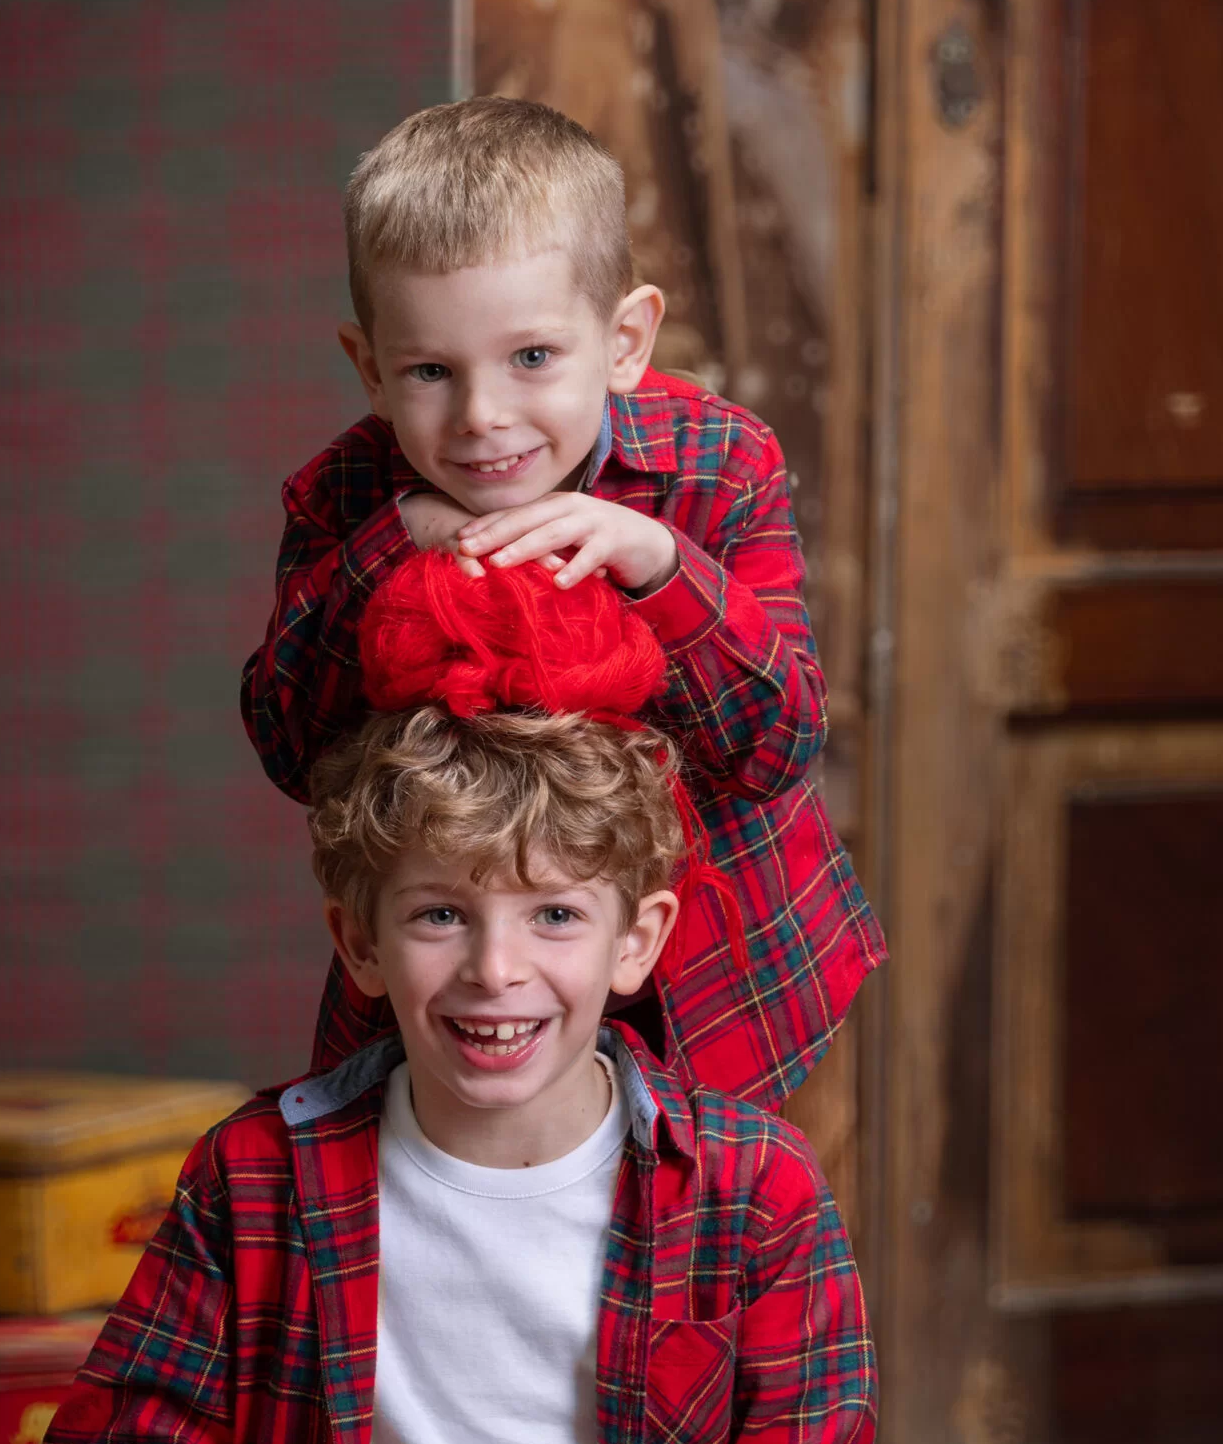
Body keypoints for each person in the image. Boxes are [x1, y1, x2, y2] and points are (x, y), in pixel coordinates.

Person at [32, 557, 1006, 1444]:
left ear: (637, 939)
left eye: (553, 916)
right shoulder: (260, 1170)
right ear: (360, 941)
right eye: (440, 915)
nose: (496, 972)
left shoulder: (751, 1181)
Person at [242, 93, 885, 1110]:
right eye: (429, 372)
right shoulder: (349, 498)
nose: (481, 417)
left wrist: (660, 567)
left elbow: (778, 744)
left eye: (531, 358)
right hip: (476, 968)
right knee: (456, 1227)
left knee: (697, 1226)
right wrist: (386, 552)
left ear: (625, 339)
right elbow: (288, 746)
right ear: (369, 368)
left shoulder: (715, 466)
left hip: (725, 980)